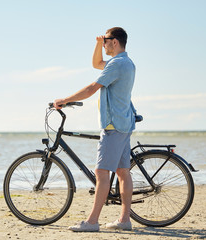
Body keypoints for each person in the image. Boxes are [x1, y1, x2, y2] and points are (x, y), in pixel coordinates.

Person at [53, 27, 136, 232]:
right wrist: (98, 43)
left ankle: (92, 222)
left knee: (101, 172)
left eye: (106, 40)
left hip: (113, 124)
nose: (105, 43)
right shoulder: (126, 62)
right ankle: (124, 220)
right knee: (123, 172)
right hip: (124, 123)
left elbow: (91, 88)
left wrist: (65, 99)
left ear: (115, 42)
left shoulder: (117, 64)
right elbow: (96, 64)